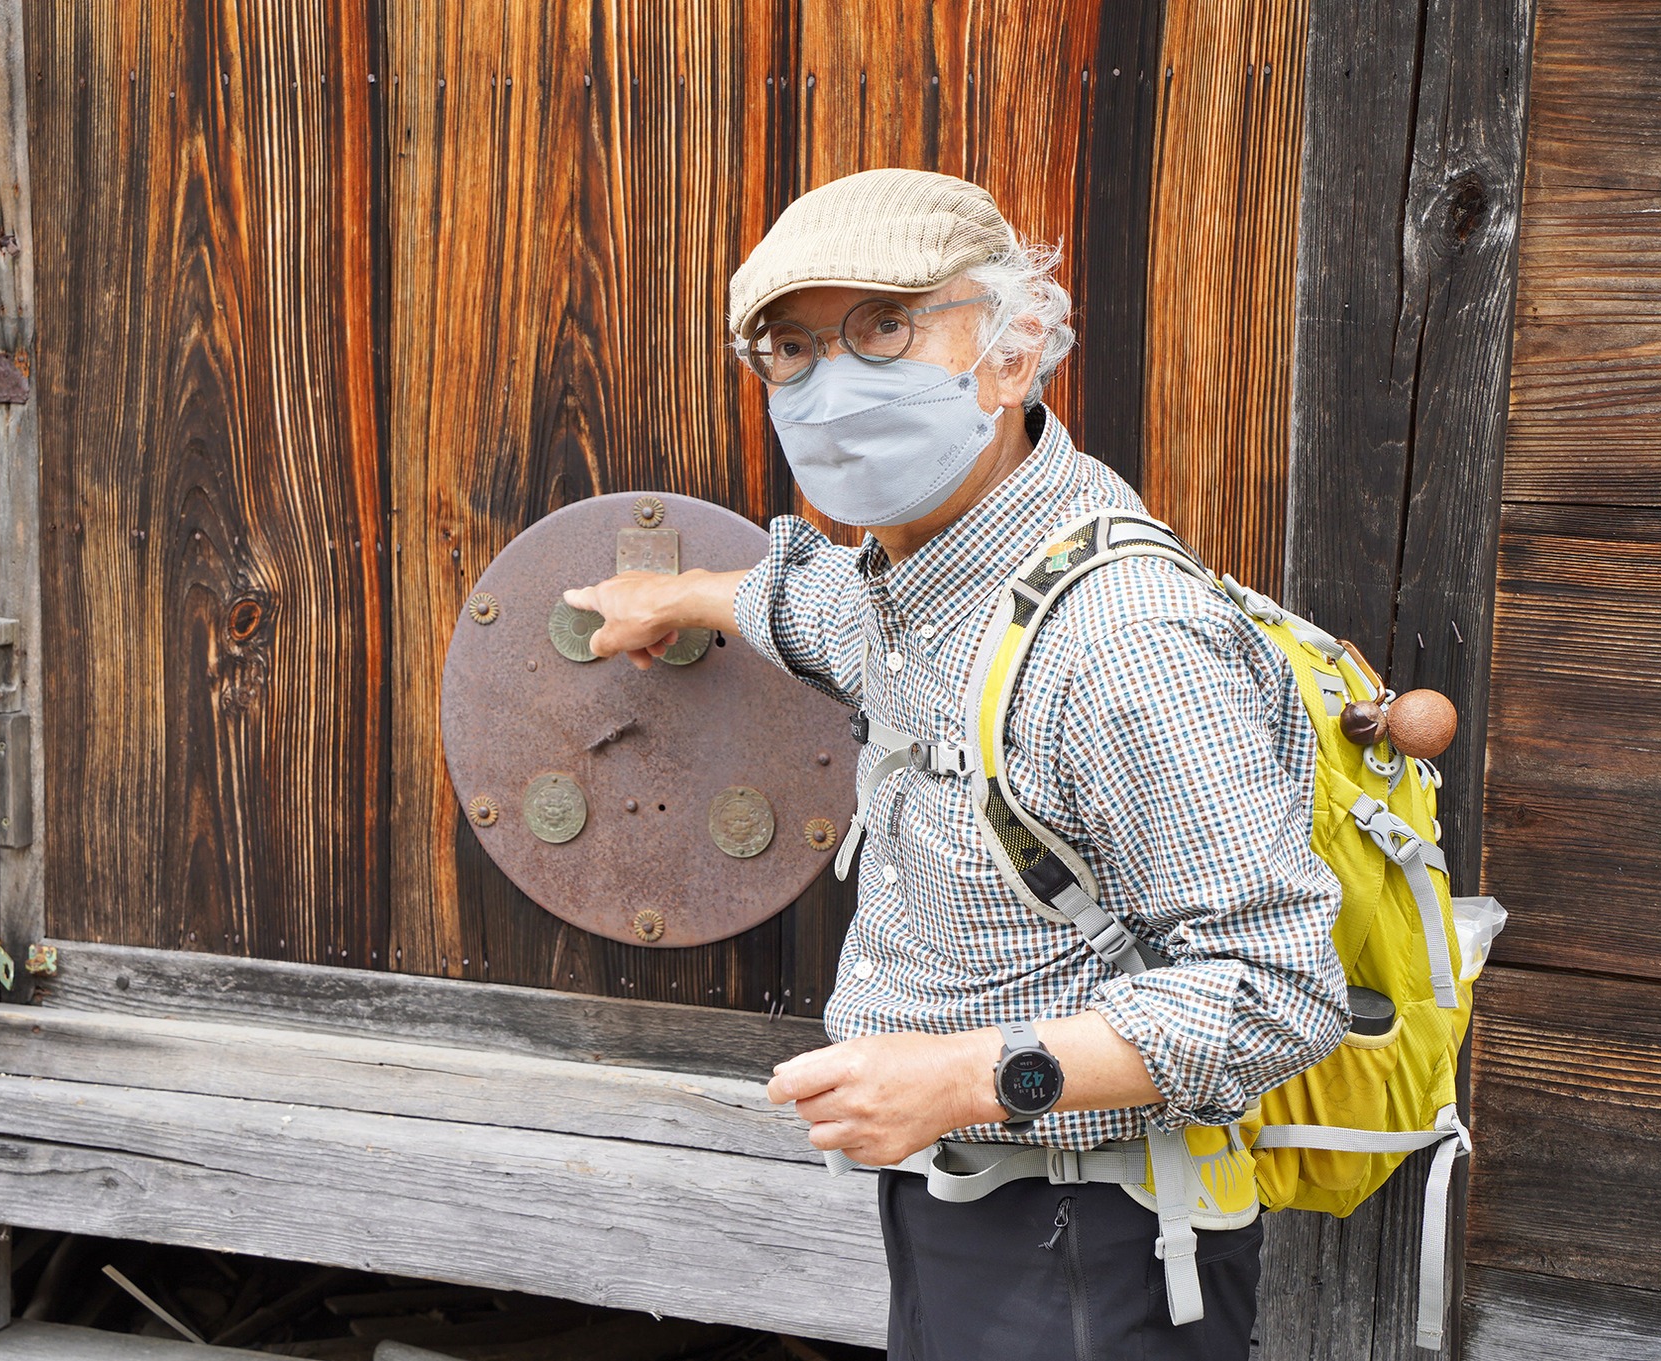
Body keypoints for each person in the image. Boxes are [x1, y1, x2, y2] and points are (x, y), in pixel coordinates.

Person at [562, 168, 1348, 1360]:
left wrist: (972, 1081)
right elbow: (823, 613)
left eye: (883, 326)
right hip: (972, 1204)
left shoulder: (1120, 637)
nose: (832, 385)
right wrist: (675, 595)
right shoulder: (932, 573)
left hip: (1095, 1232)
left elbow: (1271, 985)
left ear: (1013, 346)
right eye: (789, 348)